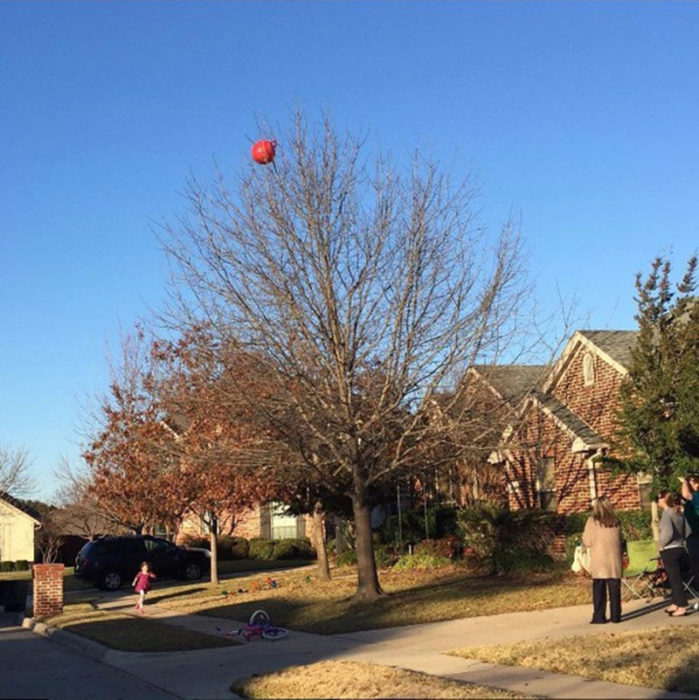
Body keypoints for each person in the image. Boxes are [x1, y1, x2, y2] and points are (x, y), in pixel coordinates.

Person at [582, 495, 623, 624]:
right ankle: (616, 616)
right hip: (614, 559)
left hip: (599, 560)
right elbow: (620, 539)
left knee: (599, 589)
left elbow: (587, 540)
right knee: (614, 588)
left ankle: (599, 616)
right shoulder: (616, 521)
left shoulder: (592, 521)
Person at [657, 490, 690, 617]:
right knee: (674, 577)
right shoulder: (679, 512)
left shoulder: (666, 514)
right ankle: (675, 603)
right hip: (680, 548)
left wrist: (661, 545)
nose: (657, 500)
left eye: (659, 497)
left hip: (669, 550)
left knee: (674, 579)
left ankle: (682, 606)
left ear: (665, 499)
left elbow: (667, 532)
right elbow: (687, 530)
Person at [679, 475, 699, 582]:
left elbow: (685, 494)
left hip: (696, 536)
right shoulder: (692, 500)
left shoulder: (696, 496)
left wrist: (685, 481)